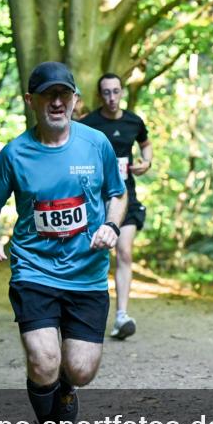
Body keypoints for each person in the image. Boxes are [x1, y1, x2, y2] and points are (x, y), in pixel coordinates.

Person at [0, 61, 126, 424]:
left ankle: (63, 390)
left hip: (88, 274)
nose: (57, 102)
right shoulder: (14, 152)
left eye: (64, 94)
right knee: (44, 361)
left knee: (79, 371)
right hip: (34, 271)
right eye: (48, 95)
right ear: (32, 101)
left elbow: (118, 193)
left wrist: (112, 226)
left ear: (76, 100)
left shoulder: (96, 144)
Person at [79, 73, 153, 339]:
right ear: (100, 96)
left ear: (122, 92)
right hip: (96, 201)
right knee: (96, 255)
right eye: (106, 93)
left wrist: (146, 162)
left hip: (126, 197)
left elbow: (146, 145)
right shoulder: (88, 124)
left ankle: (122, 316)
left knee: (124, 252)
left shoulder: (134, 121)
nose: (112, 97)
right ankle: (85, 313)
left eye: (116, 91)